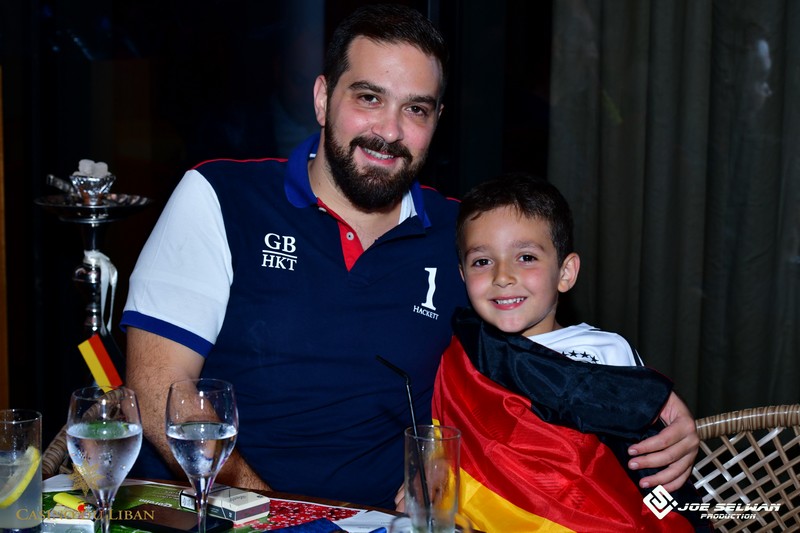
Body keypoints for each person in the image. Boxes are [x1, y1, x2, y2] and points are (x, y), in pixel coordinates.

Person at [121, 3, 698, 511]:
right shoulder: (221, 197)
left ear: (436, 122)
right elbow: (159, 391)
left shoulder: (464, 239)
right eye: (369, 98)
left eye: (416, 110)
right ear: (323, 98)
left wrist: (649, 403)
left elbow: (539, 353)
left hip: (382, 520)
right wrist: (269, 513)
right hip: (218, 510)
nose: (389, 131)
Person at [432, 173, 707, 531]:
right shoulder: (464, 357)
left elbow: (646, 459)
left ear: (565, 272)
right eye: (482, 261)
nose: (503, 276)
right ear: (463, 276)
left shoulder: (607, 352)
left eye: (526, 257)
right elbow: (446, 447)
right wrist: (428, 480)